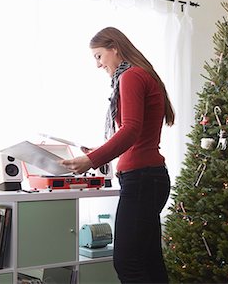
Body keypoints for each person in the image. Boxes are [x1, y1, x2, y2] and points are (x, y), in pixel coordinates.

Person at [60, 26, 174, 283]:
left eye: (99, 56)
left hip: (142, 179)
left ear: (115, 48)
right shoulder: (142, 75)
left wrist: (92, 159)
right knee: (149, 261)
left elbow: (131, 130)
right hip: (151, 177)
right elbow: (135, 134)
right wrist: (99, 152)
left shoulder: (131, 76)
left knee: (128, 263)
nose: (98, 64)